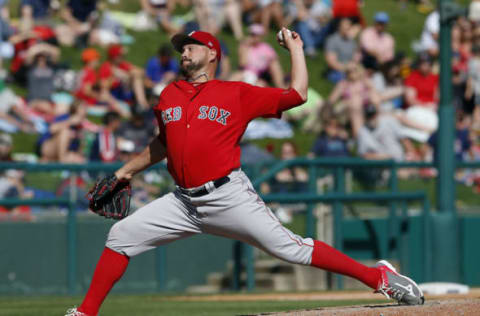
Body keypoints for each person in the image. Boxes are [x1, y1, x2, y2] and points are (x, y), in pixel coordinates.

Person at [65, 29, 424, 316]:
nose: (184, 52)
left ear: (212, 54)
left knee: (291, 249)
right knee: (121, 236)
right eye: (182, 48)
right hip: (182, 202)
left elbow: (296, 95)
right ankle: (86, 312)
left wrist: (295, 50)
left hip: (227, 195)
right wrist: (126, 171)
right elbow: (163, 144)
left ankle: (380, 277)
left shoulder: (236, 93)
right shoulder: (169, 94)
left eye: (192, 46)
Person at [324, 18, 361, 83]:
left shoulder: (352, 41)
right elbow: (331, 62)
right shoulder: (332, 40)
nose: (347, 28)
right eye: (345, 26)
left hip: (351, 70)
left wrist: (355, 64)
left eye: (349, 26)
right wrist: (346, 68)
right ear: (339, 27)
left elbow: (356, 57)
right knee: (354, 80)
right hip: (336, 72)